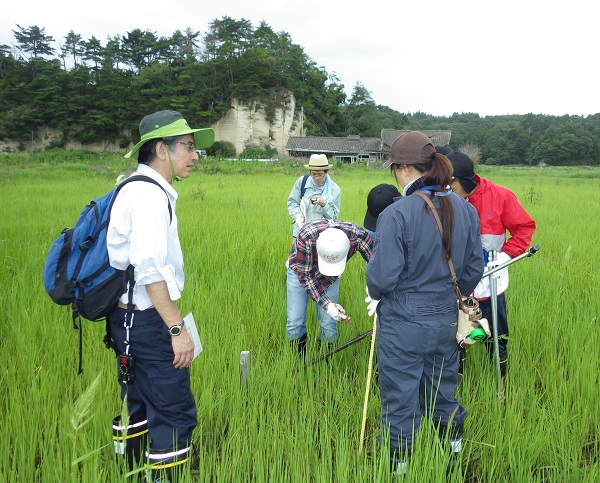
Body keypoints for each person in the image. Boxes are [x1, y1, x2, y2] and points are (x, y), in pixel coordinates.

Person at [365, 131, 484, 476]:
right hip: (446, 319)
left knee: (400, 399)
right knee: (442, 391)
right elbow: (474, 268)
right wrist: (447, 295)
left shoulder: (397, 214)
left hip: (403, 323)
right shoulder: (465, 209)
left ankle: (398, 469)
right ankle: (454, 456)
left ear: (403, 169)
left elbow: (381, 279)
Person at [107, 110, 214, 482]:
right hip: (150, 320)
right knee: (172, 410)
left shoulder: (132, 187)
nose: (195, 154)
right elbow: (151, 273)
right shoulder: (150, 197)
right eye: (187, 146)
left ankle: (131, 472)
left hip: (126, 319)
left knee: (136, 404)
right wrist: (175, 330)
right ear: (160, 150)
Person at [447, 152, 536, 381]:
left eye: (451, 183)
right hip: (457, 281)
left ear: (465, 179)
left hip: (490, 279)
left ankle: (500, 381)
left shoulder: (501, 196)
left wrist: (506, 255)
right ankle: (456, 383)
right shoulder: (446, 198)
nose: (447, 188)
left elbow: (524, 228)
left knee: (495, 333)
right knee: (455, 334)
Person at [287, 219, 373, 353]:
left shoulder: (357, 236)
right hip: (300, 271)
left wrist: (378, 289)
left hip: (331, 279)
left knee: (328, 323)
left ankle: (326, 365)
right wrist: (327, 304)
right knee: (295, 321)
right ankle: (298, 361)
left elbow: (377, 262)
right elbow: (306, 276)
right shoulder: (307, 236)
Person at [287, 154, 341, 238]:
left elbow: (333, 217)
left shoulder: (334, 190)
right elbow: (292, 202)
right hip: (300, 232)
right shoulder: (302, 182)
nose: (316, 177)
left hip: (321, 236)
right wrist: (298, 216)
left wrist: (324, 205)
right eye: (313, 174)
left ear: (327, 172)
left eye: (320, 174)